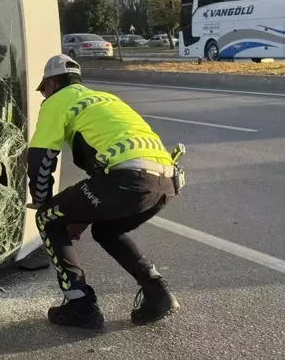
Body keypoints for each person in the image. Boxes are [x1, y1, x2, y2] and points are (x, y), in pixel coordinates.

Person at [27, 54, 181, 329]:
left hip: (128, 178)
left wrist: (44, 205)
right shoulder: (106, 99)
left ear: (51, 84)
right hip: (166, 181)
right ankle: (158, 292)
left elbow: (42, 160)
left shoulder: (57, 102)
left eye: (43, 89)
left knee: (47, 218)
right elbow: (103, 188)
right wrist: (78, 216)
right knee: (106, 230)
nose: (43, 95)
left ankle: (80, 306)